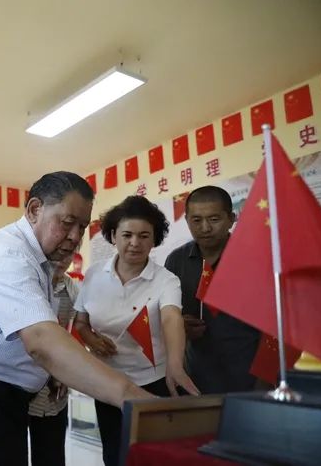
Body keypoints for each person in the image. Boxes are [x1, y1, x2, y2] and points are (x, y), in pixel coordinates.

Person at [0, 171, 152, 466]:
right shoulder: (11, 255)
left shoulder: (39, 260)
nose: (75, 237)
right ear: (35, 209)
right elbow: (41, 341)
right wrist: (130, 395)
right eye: (67, 222)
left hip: (2, 396)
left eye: (82, 227)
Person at [73, 195, 199, 466]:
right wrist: (92, 340)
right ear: (113, 236)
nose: (135, 243)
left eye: (144, 236)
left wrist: (175, 365)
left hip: (152, 380)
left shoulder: (166, 280)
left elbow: (171, 318)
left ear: (154, 240)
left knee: (153, 455)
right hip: (107, 381)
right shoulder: (94, 274)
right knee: (114, 454)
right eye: (127, 235)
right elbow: (80, 323)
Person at [164, 186, 261, 393]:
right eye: (196, 220)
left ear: (231, 219)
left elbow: (274, 327)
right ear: (187, 220)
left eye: (214, 219)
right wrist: (179, 327)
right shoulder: (176, 261)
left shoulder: (254, 257)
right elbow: (166, 316)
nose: (205, 228)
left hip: (248, 380)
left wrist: (265, 381)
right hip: (194, 380)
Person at [27, 253, 80, 466]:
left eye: (70, 252)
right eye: (59, 251)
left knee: (51, 453)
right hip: (19, 381)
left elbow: (72, 333)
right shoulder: (29, 281)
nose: (63, 259)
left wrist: (65, 374)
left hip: (53, 386)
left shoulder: (72, 289)